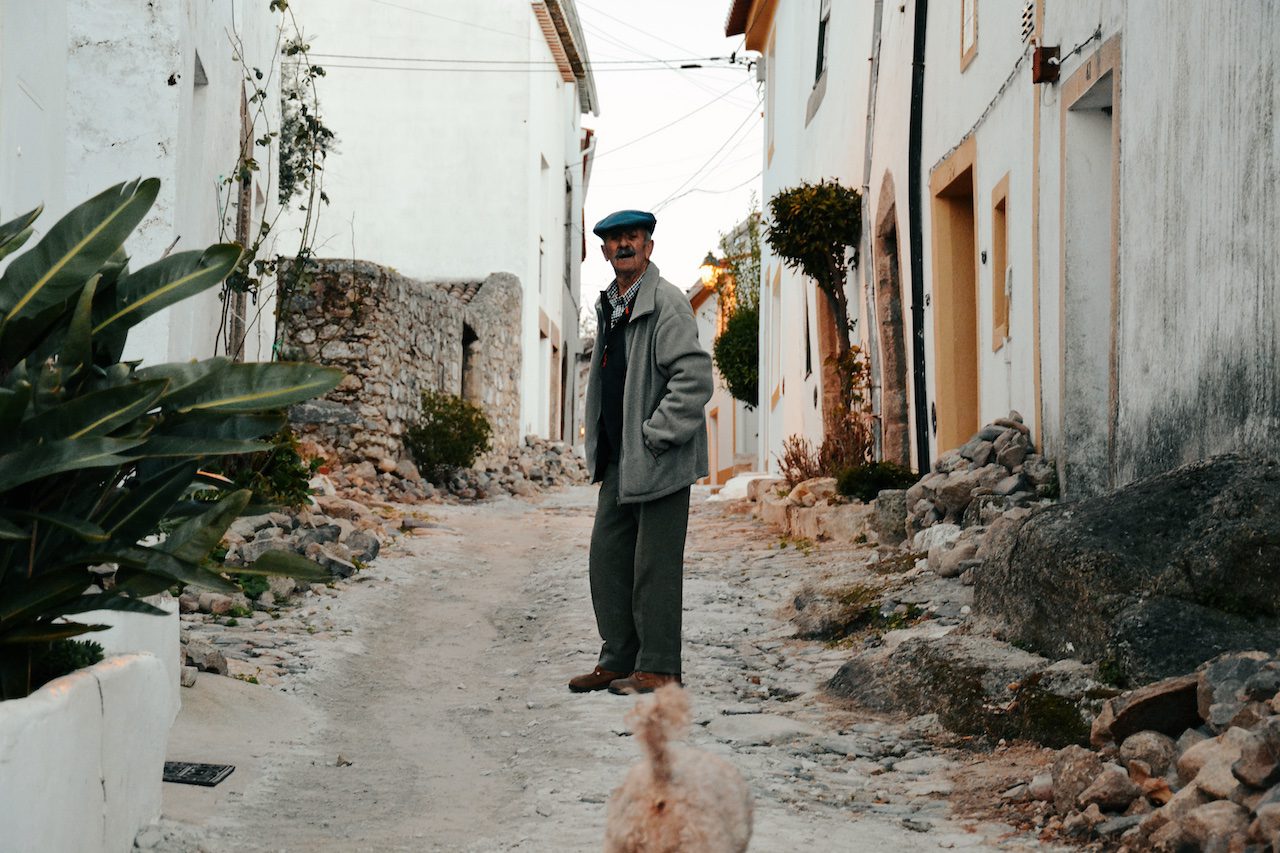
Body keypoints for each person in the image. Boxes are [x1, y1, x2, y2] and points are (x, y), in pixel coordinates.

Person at [569, 209, 714, 696]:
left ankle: (659, 667)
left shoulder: (667, 302)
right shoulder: (612, 304)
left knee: (654, 563)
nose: (623, 245)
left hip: (659, 457)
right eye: (614, 239)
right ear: (605, 251)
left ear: (648, 246)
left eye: (632, 237)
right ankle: (619, 659)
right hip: (620, 458)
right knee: (607, 557)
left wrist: (657, 434)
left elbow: (693, 378)